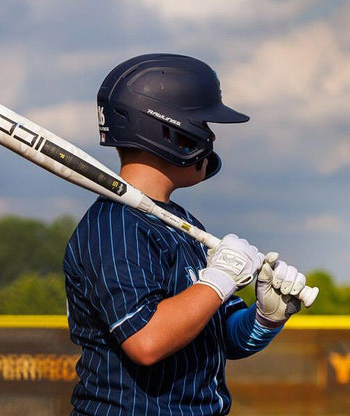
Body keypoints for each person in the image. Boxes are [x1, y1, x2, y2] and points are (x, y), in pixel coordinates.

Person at [63, 53, 308, 415]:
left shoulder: (183, 224)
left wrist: (266, 317)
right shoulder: (115, 227)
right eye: (204, 124)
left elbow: (224, 337)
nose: (210, 137)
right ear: (169, 130)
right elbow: (146, 341)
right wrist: (219, 279)